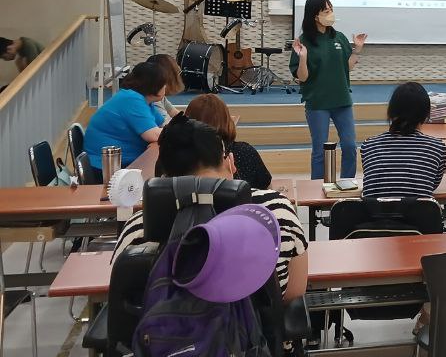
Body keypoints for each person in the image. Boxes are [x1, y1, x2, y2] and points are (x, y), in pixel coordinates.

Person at [115, 114, 308, 302]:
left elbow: (126, 300)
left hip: (163, 333)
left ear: (164, 175)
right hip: (254, 333)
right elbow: (295, 293)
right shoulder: (275, 212)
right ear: (230, 163)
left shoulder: (140, 226)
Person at [289, 0, 366, 180]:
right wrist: (303, 58)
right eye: (326, 11)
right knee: (319, 150)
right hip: (318, 103)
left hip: (342, 100)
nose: (330, 14)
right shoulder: (304, 41)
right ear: (315, 16)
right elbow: (302, 78)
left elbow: (345, 67)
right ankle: (317, 188)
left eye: (331, 10)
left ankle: (347, 184)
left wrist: (357, 49)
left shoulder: (338, 37)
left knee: (349, 145)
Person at [360, 82, 446, 200]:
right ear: (426, 114)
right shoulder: (437, 147)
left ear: (391, 111)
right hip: (419, 216)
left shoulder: (369, 145)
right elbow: (431, 185)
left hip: (373, 216)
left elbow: (373, 182)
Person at [83, 61, 166, 182]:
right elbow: (153, 135)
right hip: (104, 169)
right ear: (154, 85)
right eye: (164, 84)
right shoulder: (132, 99)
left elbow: (162, 125)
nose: (165, 87)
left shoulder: (143, 101)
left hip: (119, 164)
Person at [182, 92, 273, 190]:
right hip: (241, 203)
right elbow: (266, 187)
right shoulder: (244, 151)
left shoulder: (178, 156)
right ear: (227, 120)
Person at [145, 52, 183, 122]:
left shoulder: (159, 95)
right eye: (176, 73)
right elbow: (167, 126)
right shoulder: (154, 100)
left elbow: (175, 113)